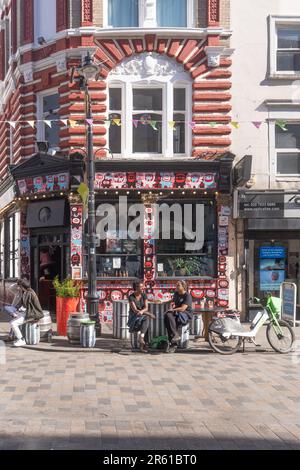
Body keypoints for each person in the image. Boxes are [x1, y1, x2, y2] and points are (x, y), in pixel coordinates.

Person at [8, 279, 44, 348]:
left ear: (22, 286)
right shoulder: (28, 292)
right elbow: (25, 306)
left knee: (13, 323)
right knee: (13, 320)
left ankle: (21, 340)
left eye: (19, 286)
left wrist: (16, 312)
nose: (18, 287)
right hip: (29, 312)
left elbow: (25, 306)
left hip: (32, 314)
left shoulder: (28, 294)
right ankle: (16, 337)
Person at [164, 280, 193, 349]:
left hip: (185, 314)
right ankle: (175, 336)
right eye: (176, 285)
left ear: (183, 286)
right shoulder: (176, 293)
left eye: (178, 285)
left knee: (172, 319)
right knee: (167, 317)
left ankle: (173, 343)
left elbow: (183, 308)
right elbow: (172, 301)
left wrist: (172, 310)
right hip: (177, 313)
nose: (176, 287)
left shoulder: (187, 296)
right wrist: (163, 302)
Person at [127, 281, 154, 353]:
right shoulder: (131, 297)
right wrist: (149, 314)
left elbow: (146, 307)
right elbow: (135, 310)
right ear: (136, 288)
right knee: (146, 319)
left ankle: (141, 339)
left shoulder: (144, 295)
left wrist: (143, 312)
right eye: (141, 287)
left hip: (142, 316)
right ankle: (142, 344)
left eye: (143, 286)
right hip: (134, 318)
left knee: (145, 321)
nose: (142, 288)